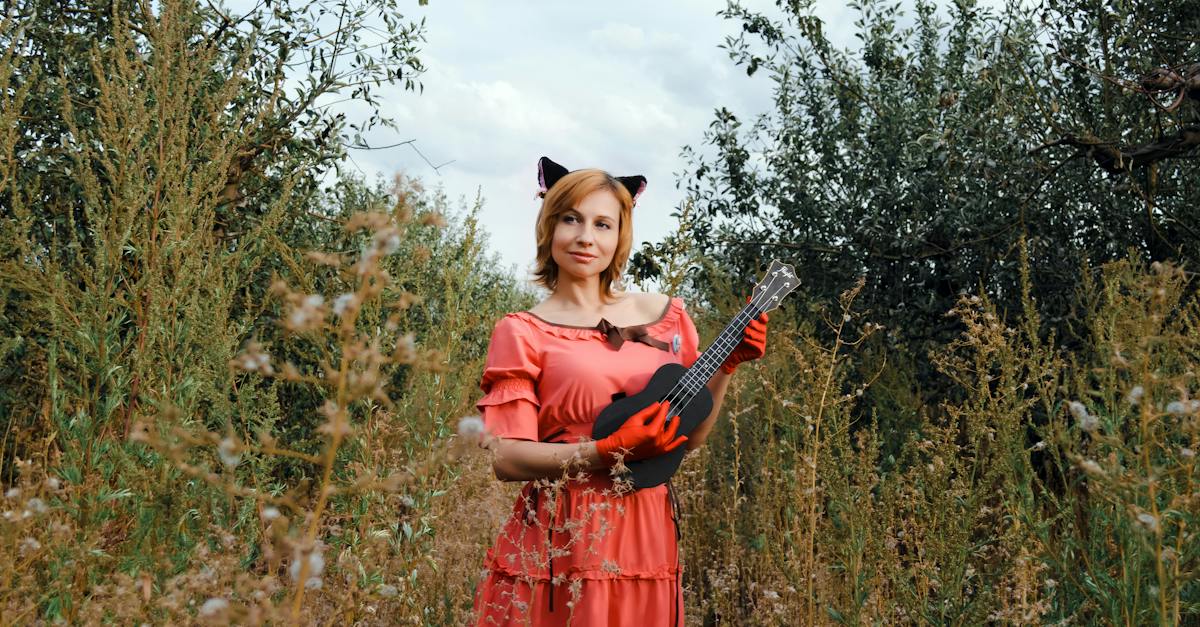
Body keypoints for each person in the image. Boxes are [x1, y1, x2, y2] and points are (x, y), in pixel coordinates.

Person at [472, 156, 768, 626]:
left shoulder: (666, 315)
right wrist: (607, 449)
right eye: (571, 218)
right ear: (549, 226)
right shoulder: (522, 330)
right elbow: (506, 459)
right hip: (563, 529)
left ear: (619, 236)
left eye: (602, 223)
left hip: (645, 521)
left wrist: (727, 366)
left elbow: (689, 437)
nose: (586, 236)